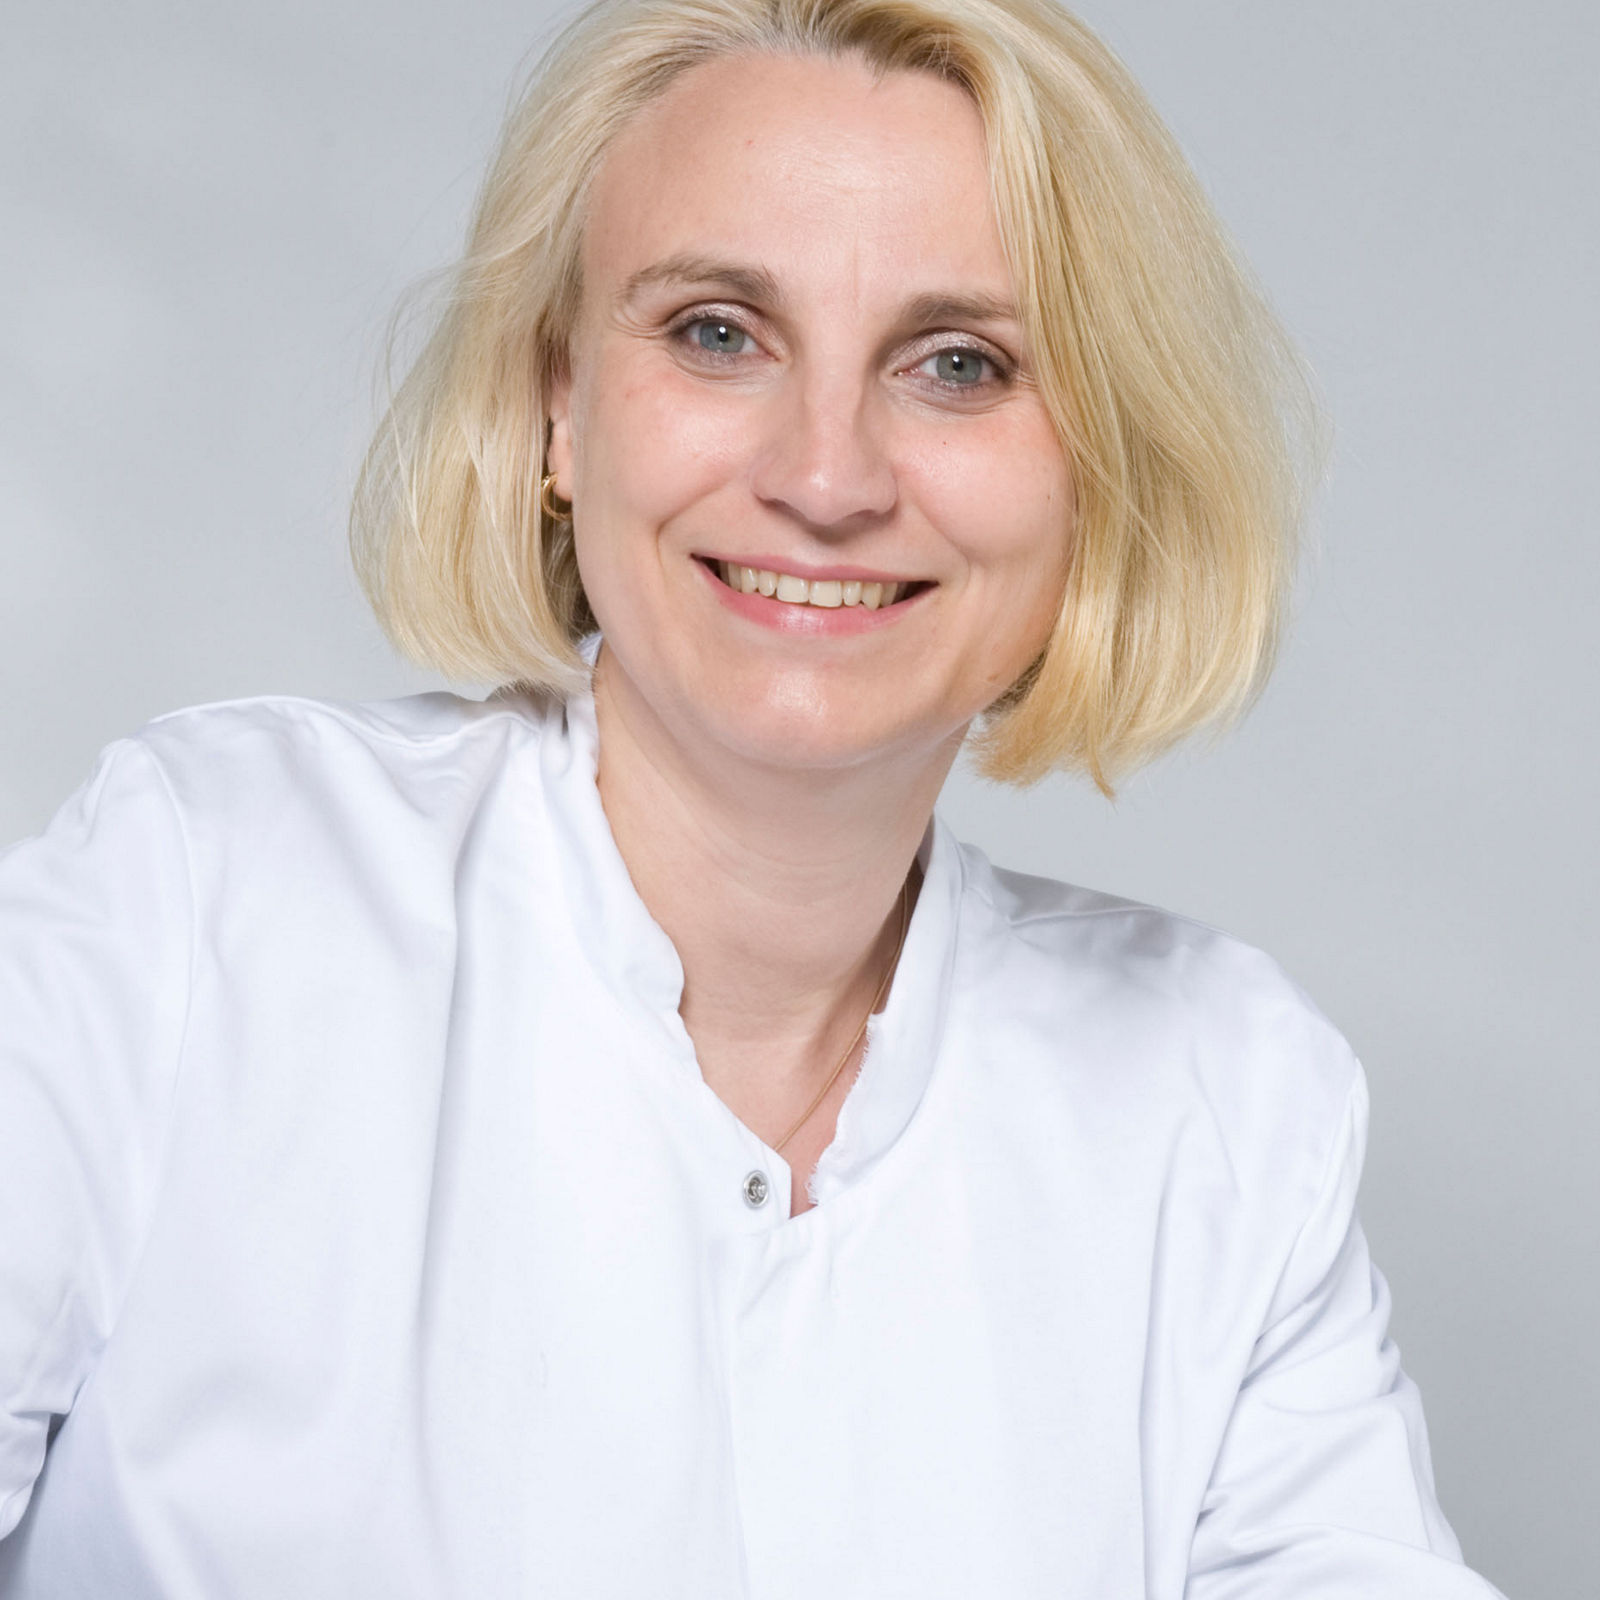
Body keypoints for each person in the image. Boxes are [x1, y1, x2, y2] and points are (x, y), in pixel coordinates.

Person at [0, 0, 1506, 1593]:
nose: (826, 477)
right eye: (720, 332)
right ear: (560, 405)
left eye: (959, 364)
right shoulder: (199, 902)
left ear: (1098, 467)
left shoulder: (1220, 1097)